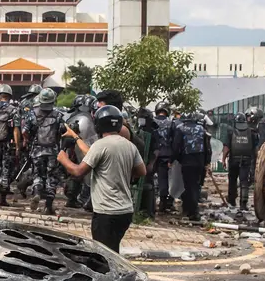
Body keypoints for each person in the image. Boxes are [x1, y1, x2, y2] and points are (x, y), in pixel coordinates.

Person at [57, 105, 147, 252]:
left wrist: (64, 159)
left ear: (98, 124)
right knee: (113, 250)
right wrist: (75, 136)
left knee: (103, 254)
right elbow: (141, 171)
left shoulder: (100, 145)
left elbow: (78, 171)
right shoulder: (129, 146)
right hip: (125, 212)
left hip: (106, 212)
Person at [22, 88, 66, 215]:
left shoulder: (32, 114)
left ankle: (36, 193)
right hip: (53, 151)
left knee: (37, 174)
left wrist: (27, 140)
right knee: (51, 177)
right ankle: (48, 206)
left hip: (37, 150)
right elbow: (63, 131)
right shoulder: (58, 115)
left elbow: (25, 131)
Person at [172, 110, 211, 222]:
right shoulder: (201, 129)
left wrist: (174, 159)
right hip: (199, 161)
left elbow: (176, 146)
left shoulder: (180, 128)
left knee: (188, 186)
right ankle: (190, 210)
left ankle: (193, 211)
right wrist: (207, 162)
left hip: (187, 161)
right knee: (195, 185)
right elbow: (207, 147)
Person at [222, 113, 259, 211]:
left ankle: (231, 201)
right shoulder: (251, 132)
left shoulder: (231, 131)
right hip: (246, 161)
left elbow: (226, 148)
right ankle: (243, 204)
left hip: (233, 160)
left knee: (232, 180)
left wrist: (223, 159)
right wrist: (257, 161)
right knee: (244, 181)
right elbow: (256, 149)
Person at [152, 102, 176, 213]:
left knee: (151, 179)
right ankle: (164, 203)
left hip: (153, 155)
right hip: (167, 155)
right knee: (165, 179)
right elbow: (175, 141)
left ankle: (151, 203)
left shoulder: (152, 121)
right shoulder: (171, 123)